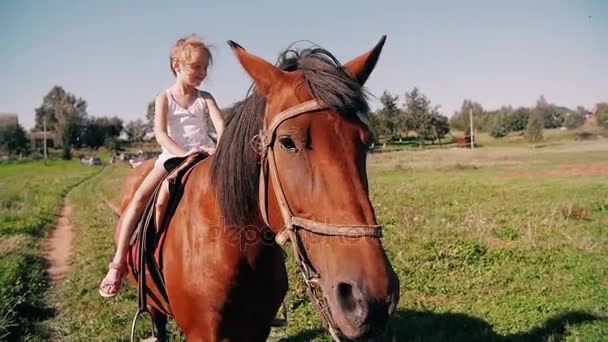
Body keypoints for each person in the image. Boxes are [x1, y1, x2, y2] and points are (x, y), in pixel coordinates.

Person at [99, 34, 225, 298]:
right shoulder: (164, 98)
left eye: (205, 68)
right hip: (173, 156)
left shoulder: (206, 98)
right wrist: (184, 154)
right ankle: (119, 262)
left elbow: (221, 128)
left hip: (205, 154)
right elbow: (161, 134)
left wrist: (219, 148)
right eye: (196, 67)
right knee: (142, 198)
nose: (202, 73)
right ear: (176, 65)